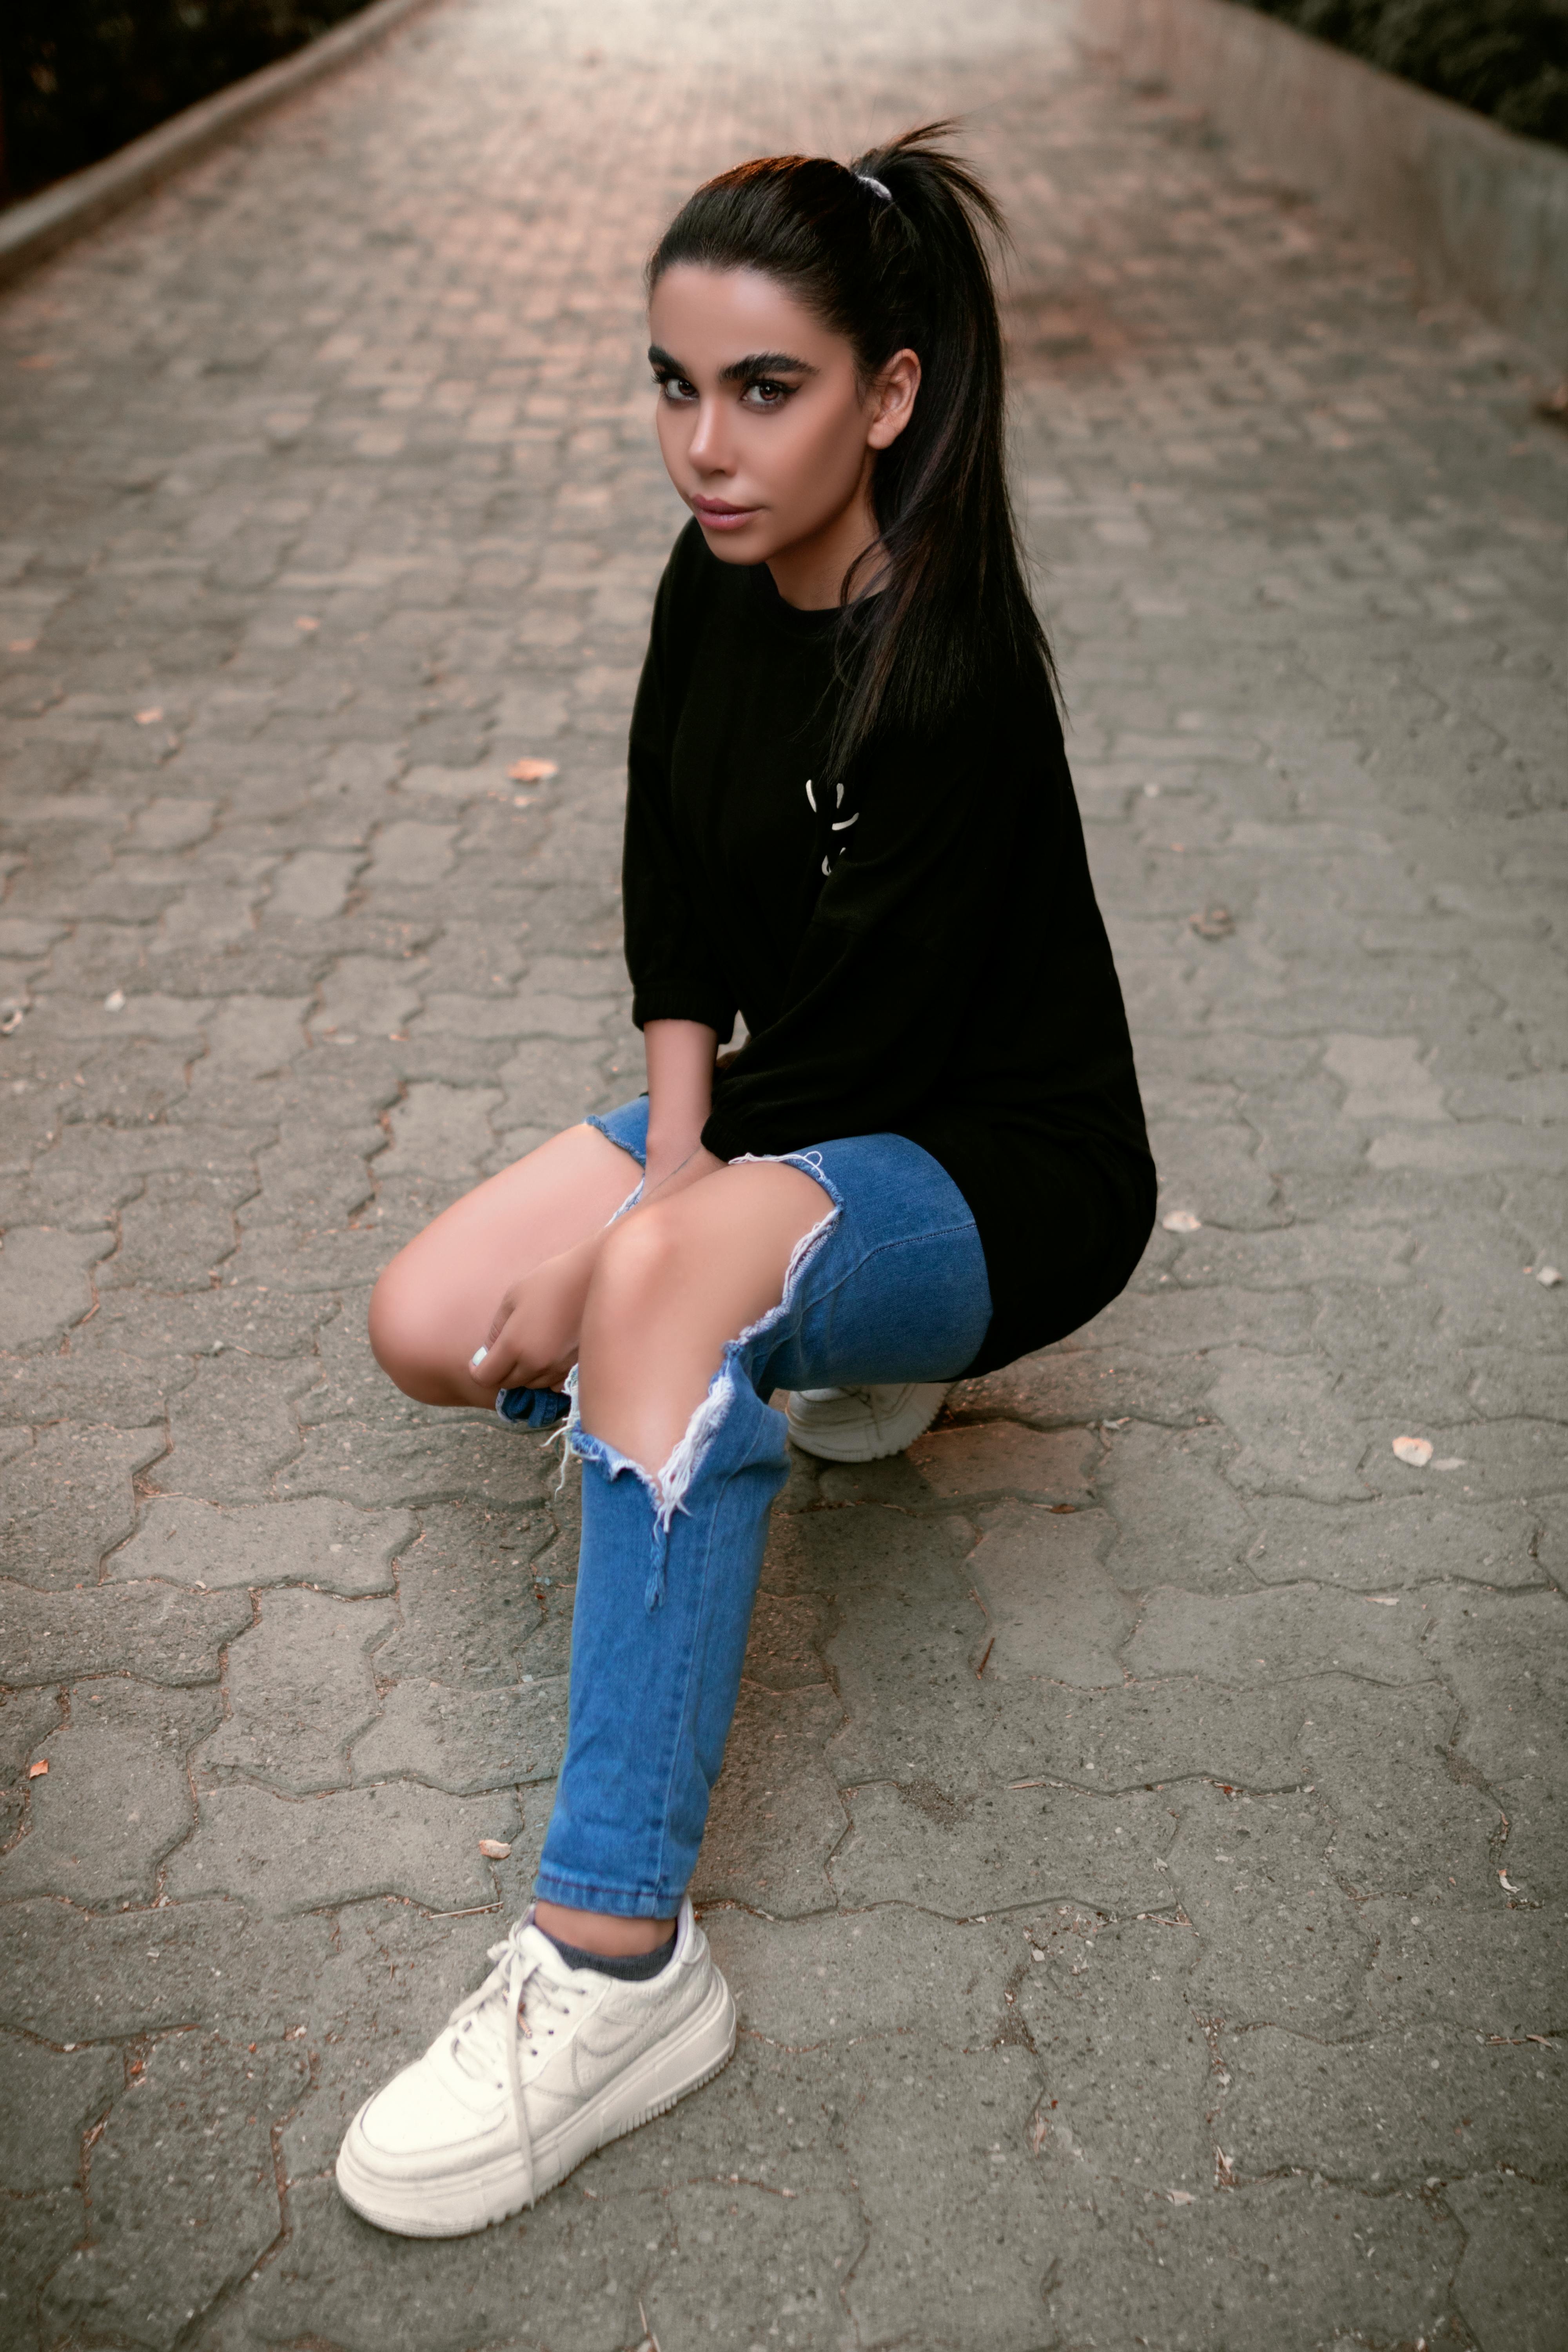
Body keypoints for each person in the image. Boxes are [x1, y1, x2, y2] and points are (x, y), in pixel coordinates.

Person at [335, 124, 1154, 2239]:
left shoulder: (951, 665)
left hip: (994, 1168)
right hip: (785, 1120)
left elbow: (880, 1069)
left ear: (889, 394)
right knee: (428, 1326)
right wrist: (666, 1162)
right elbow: (673, 908)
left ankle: (619, 1965)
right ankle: (737, 1356)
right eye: (673, 387)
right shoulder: (712, 584)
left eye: (764, 392)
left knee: (661, 1297)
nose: (707, 446)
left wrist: (642, 1260)